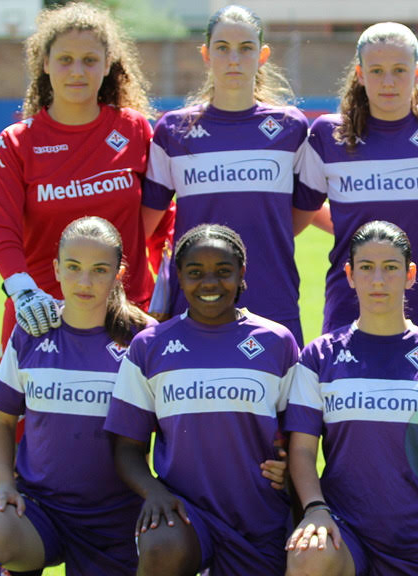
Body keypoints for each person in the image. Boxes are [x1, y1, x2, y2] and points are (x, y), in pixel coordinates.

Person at [0, 217, 155, 576]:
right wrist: (4, 485)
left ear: (119, 273)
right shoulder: (31, 333)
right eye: (73, 267)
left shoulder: (143, 339)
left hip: (115, 521)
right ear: (56, 269)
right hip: (39, 511)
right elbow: (3, 423)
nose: (84, 282)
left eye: (99, 270)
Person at [104, 223, 295, 575]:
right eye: (195, 272)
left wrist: (289, 468)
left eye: (223, 271)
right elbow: (127, 447)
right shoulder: (150, 346)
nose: (209, 283)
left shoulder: (276, 342)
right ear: (179, 276)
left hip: (259, 517)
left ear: (241, 274)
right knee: (161, 544)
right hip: (185, 512)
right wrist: (154, 492)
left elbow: (299, 436)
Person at [284, 221, 418, 576]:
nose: (378, 280)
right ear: (350, 275)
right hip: (344, 530)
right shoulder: (319, 356)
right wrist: (315, 508)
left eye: (390, 267)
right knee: (309, 555)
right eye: (366, 268)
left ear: (410, 275)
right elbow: (303, 450)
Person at [0, 2, 164, 347]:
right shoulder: (16, 143)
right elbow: (2, 231)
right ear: (45, 63)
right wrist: (23, 292)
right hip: (41, 318)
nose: (77, 71)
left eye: (90, 60)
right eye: (65, 59)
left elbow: (161, 222)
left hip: (126, 320)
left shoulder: (134, 129)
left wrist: (171, 291)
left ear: (108, 63)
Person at [296, 22, 418, 348]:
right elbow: (303, 210)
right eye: (377, 71)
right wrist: (346, 225)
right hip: (349, 308)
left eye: (399, 70)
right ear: (360, 74)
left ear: (417, 72)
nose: (388, 82)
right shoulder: (328, 134)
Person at [142, 4, 310, 343]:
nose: (234, 59)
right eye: (222, 48)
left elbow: (300, 213)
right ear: (206, 54)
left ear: (262, 55)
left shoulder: (290, 128)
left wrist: (264, 234)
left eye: (246, 48)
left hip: (273, 299)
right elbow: (145, 223)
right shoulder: (173, 131)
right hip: (193, 302)